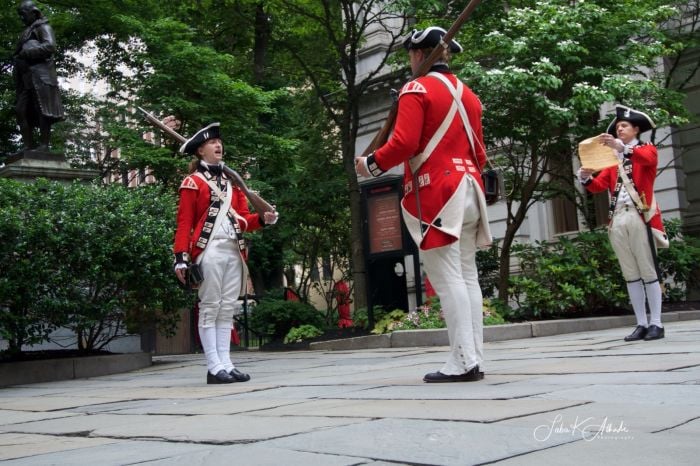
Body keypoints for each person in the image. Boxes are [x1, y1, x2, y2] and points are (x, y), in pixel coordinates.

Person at [355, 27, 492, 383]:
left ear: (418, 55)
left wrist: (370, 164)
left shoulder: (415, 89)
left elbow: (403, 143)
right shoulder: (470, 95)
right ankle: (474, 355)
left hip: (438, 192)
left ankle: (463, 361)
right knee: (468, 276)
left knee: (448, 279)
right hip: (470, 188)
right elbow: (480, 153)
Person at [173, 122, 279, 384]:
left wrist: (264, 219)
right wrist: (181, 258)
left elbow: (243, 220)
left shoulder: (232, 183)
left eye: (219, 142)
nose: (218, 145)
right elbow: (184, 223)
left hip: (234, 251)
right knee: (210, 308)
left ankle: (227, 364)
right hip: (208, 250)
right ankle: (213, 366)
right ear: (200, 151)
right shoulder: (192, 182)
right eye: (211, 143)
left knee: (227, 309)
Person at [578, 105, 667, 342]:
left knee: (648, 270)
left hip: (640, 216)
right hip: (617, 218)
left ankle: (656, 323)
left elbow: (646, 159)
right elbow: (598, 186)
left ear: (636, 129)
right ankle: (641, 323)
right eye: (618, 127)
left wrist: (623, 149)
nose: (620, 129)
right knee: (630, 273)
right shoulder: (613, 162)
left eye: (624, 125)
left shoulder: (646, 149)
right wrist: (585, 177)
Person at [12, 0, 64, 151]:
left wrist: (27, 52)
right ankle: (28, 145)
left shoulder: (43, 27)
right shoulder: (28, 31)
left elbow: (50, 46)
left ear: (33, 13)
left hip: (41, 76)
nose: (21, 18)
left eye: (23, 15)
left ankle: (44, 145)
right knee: (21, 111)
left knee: (43, 110)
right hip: (26, 77)